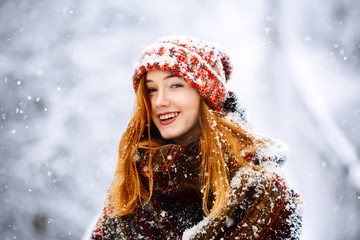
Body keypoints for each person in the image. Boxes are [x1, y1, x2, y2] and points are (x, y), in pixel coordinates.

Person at [90, 35, 302, 239]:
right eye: (151, 90)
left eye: (175, 85)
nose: (159, 101)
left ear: (205, 97)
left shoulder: (260, 190)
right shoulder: (134, 184)